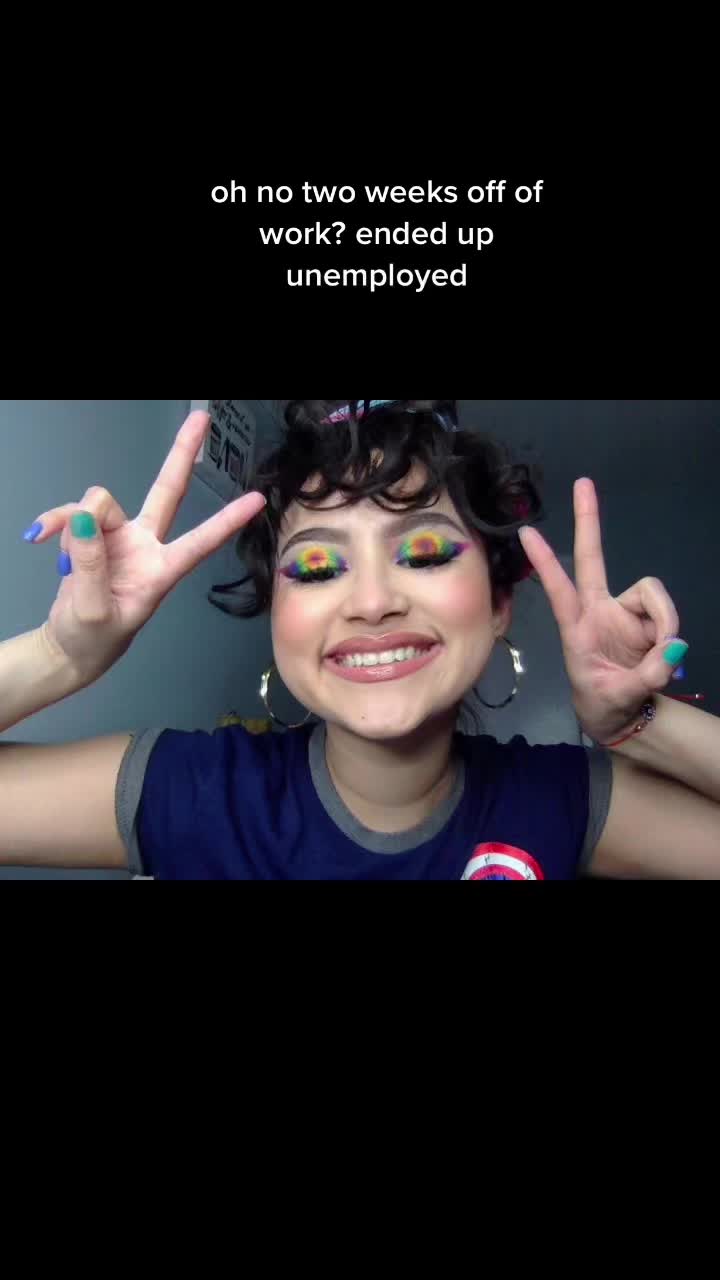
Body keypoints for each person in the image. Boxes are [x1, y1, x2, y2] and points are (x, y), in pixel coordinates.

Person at [1, 400, 719, 879]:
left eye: (425, 554)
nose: (373, 603)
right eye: (317, 567)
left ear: (499, 604)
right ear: (278, 616)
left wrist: (639, 723)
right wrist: (60, 657)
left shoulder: (563, 800)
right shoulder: (194, 791)